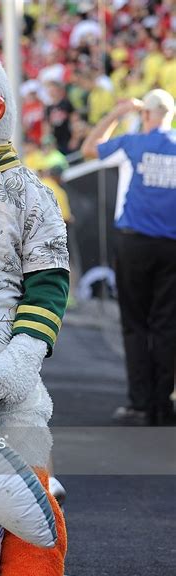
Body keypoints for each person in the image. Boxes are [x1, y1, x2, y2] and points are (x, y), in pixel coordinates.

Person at [82, 89, 176, 425]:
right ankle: (164, 404)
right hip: (171, 247)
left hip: (135, 244)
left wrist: (117, 114)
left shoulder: (134, 143)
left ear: (146, 114)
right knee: (166, 325)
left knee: (135, 324)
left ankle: (140, 403)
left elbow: (88, 148)